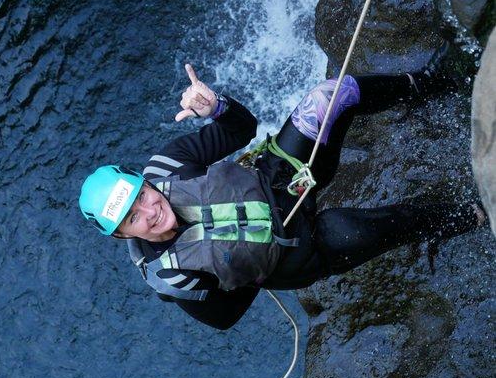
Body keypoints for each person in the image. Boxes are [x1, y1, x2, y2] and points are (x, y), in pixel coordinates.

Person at [79, 47, 486, 330]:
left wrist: (215, 108)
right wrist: (250, 261)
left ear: (144, 183)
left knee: (329, 96)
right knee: (384, 225)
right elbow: (224, 317)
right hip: (295, 251)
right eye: (133, 218)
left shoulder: (167, 166)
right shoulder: (171, 279)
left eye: (142, 197)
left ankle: (429, 83)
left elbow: (242, 130)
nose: (150, 211)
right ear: (122, 235)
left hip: (276, 177)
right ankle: (471, 213)